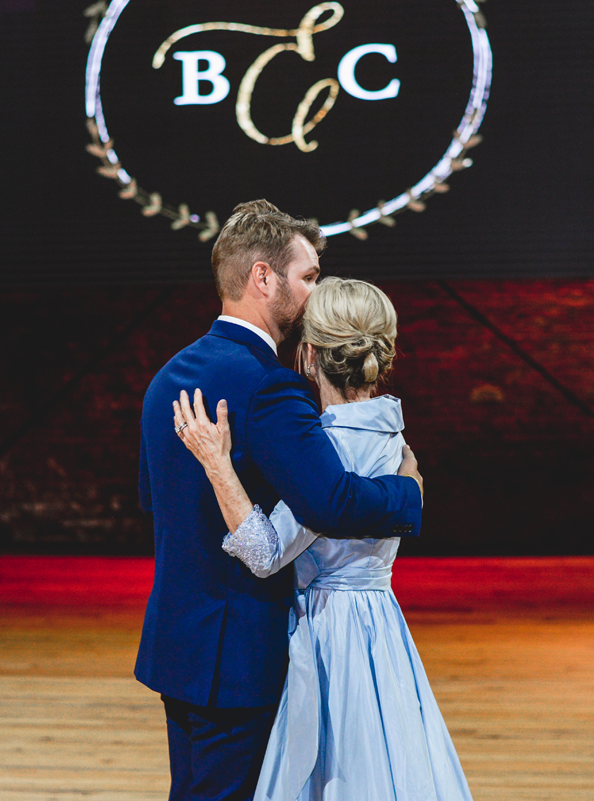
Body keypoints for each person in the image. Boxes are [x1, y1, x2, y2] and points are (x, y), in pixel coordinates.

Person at [136, 200, 425, 801]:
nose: (315, 292)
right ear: (263, 277)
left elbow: (153, 500)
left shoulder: (167, 376)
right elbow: (333, 502)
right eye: (309, 275)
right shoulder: (270, 384)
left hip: (177, 645)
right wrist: (407, 491)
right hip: (243, 655)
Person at [173, 277, 473, 801]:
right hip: (383, 623)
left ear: (309, 357)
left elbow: (265, 554)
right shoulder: (395, 440)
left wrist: (219, 466)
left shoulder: (326, 448)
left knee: (335, 768)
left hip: (331, 630)